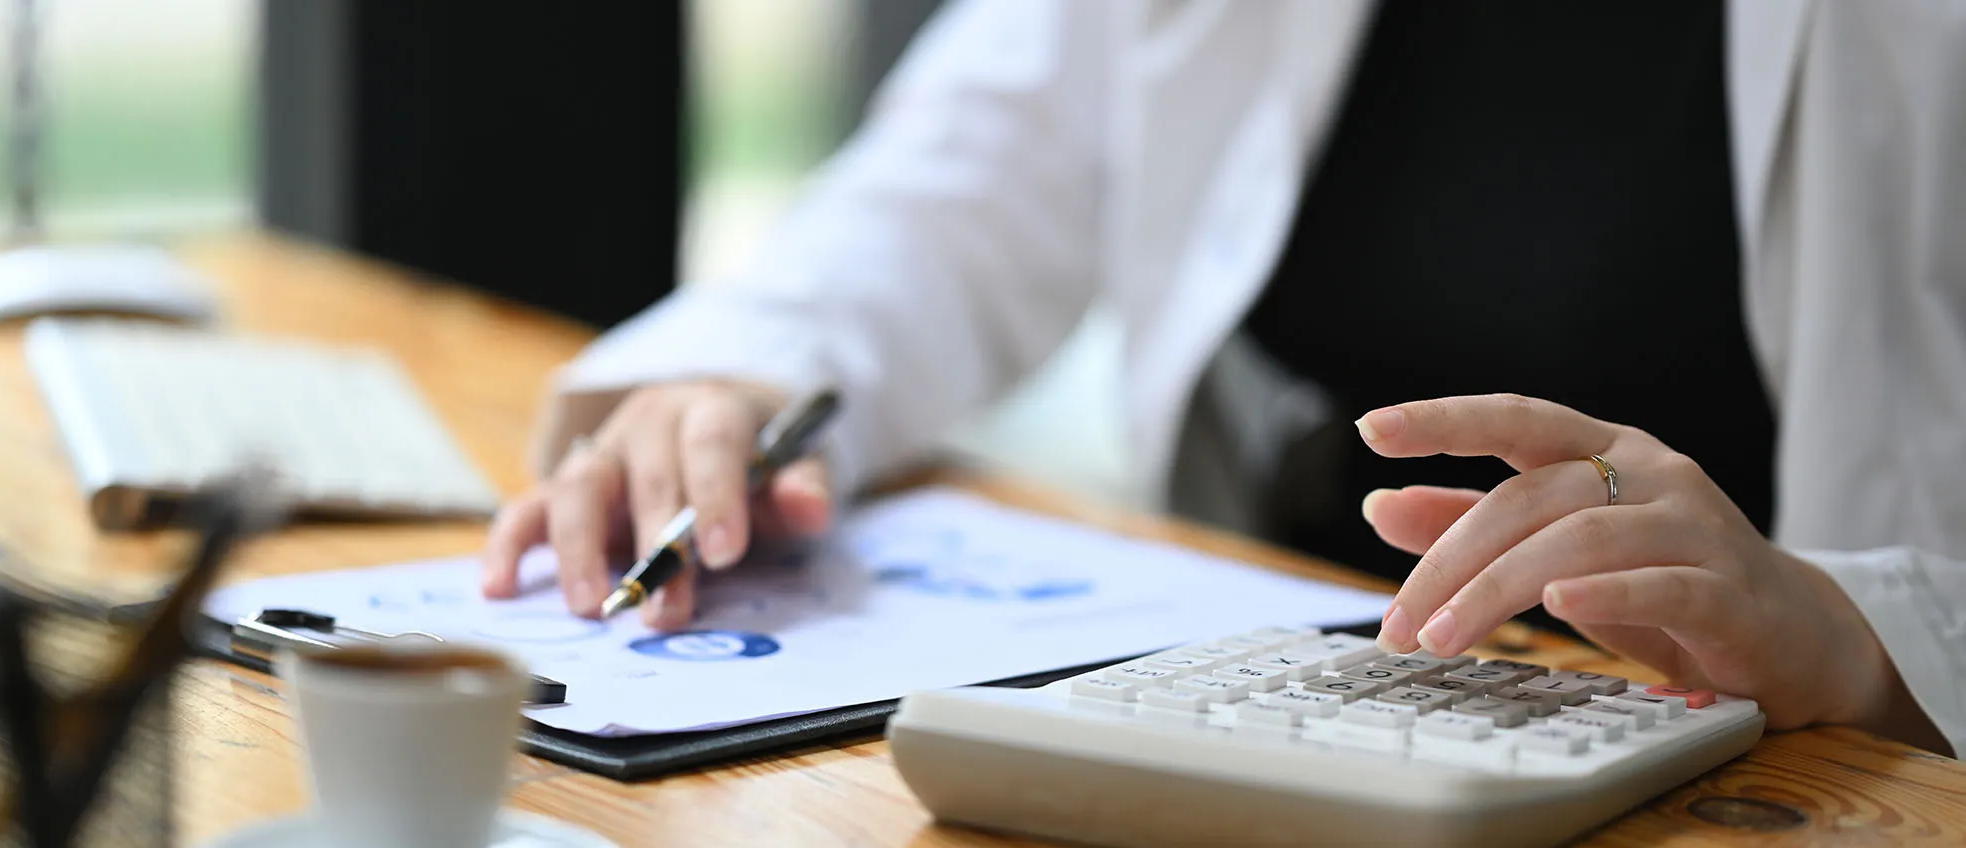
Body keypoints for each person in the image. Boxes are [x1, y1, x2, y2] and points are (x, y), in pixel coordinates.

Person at [480, 0, 1966, 758]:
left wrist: (1857, 628)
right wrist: (742, 378)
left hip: (1778, 780)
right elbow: (968, 176)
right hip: (1309, 692)